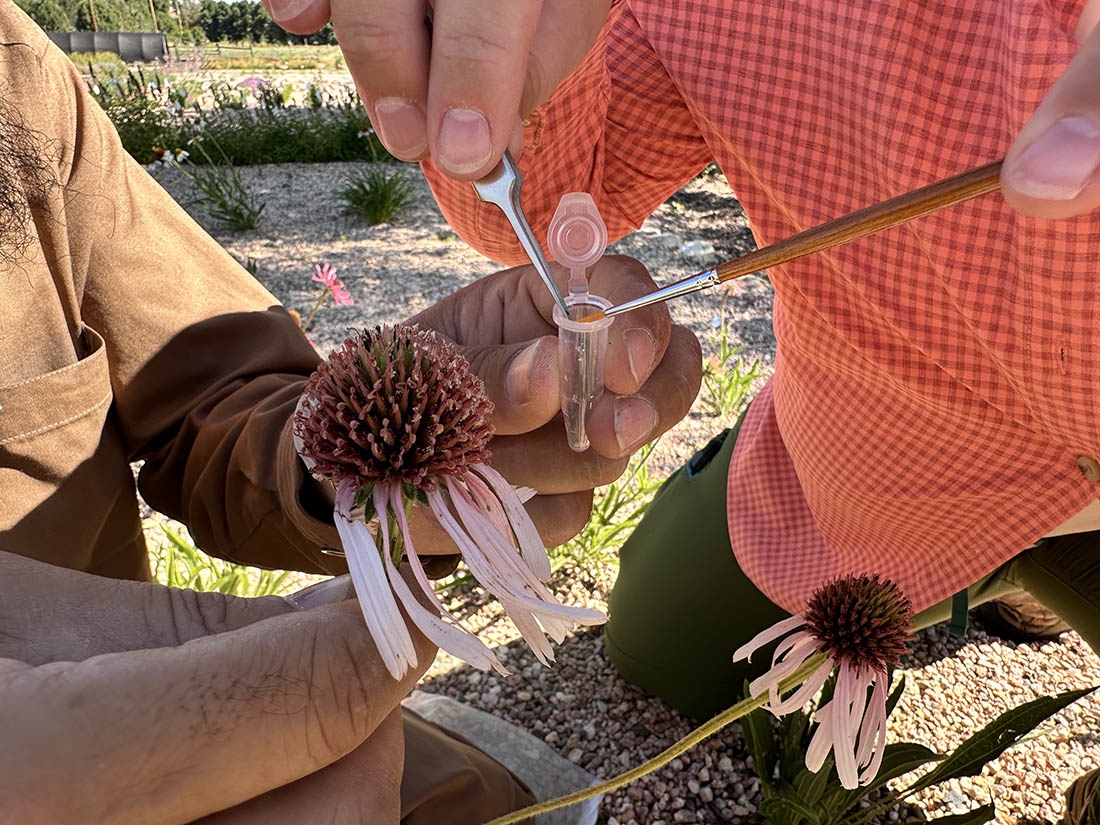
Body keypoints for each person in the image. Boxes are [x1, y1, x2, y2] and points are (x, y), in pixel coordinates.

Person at [275, 0, 1100, 810]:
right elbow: (553, 191)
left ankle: (1030, 586)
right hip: (860, 467)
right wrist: (497, 79)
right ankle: (995, 581)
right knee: (655, 646)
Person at [0, 4, 700, 822]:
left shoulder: (17, 77)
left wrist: (329, 466)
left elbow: (209, 386)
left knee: (501, 799)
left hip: (215, 680)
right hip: (114, 748)